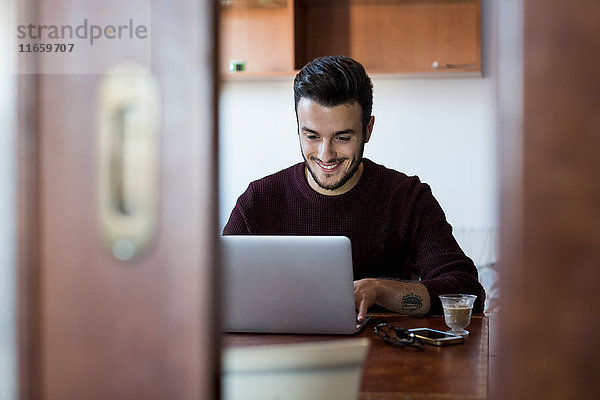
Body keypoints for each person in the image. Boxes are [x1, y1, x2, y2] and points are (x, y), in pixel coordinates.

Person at [223, 55, 485, 321]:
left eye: (342, 137)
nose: (326, 155)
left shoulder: (407, 198)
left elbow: (467, 293)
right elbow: (212, 292)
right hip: (277, 354)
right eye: (312, 136)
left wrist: (380, 290)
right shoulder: (258, 201)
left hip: (387, 357)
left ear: (368, 130)